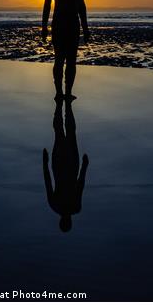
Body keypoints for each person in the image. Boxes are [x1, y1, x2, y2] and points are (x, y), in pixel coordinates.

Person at [42, 0, 90, 101]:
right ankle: (61, 93)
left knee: (68, 60)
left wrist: (85, 27)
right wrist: (44, 28)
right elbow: (47, 5)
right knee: (62, 59)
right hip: (63, 23)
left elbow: (81, 5)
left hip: (68, 23)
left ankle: (65, 93)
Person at [42, 99, 89, 232]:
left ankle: (63, 105)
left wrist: (85, 167)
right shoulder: (58, 206)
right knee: (63, 133)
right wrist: (45, 163)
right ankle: (63, 105)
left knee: (64, 133)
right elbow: (79, 186)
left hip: (65, 166)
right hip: (64, 166)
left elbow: (80, 185)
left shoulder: (71, 207)